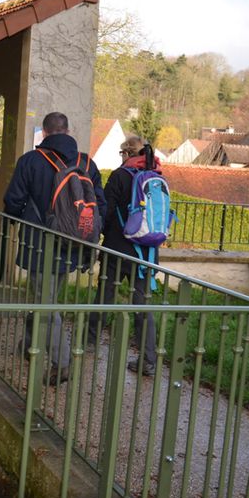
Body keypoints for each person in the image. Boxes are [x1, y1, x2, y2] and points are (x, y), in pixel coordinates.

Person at [3, 112, 106, 383]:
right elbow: (100, 205)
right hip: (74, 245)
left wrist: (17, 222)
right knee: (44, 296)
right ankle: (28, 344)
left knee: (44, 302)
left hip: (40, 244)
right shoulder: (87, 163)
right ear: (68, 130)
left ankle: (62, 363)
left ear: (45, 133)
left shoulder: (30, 161)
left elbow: (13, 201)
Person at [87, 134, 160, 376]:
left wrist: (102, 237)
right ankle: (148, 359)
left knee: (106, 295)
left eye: (122, 154)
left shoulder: (119, 176)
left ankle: (90, 341)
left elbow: (106, 212)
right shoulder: (157, 175)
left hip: (118, 249)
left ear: (127, 154)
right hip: (146, 252)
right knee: (142, 303)